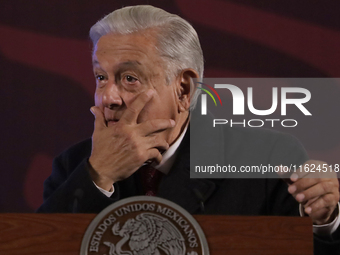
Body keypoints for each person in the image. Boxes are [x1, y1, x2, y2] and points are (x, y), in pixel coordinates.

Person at [37, 5, 340, 254]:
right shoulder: (76, 165)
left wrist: (325, 220)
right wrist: (98, 177)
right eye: (101, 77)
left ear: (183, 89)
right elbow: (36, 247)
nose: (108, 97)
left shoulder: (268, 158)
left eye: (129, 78)